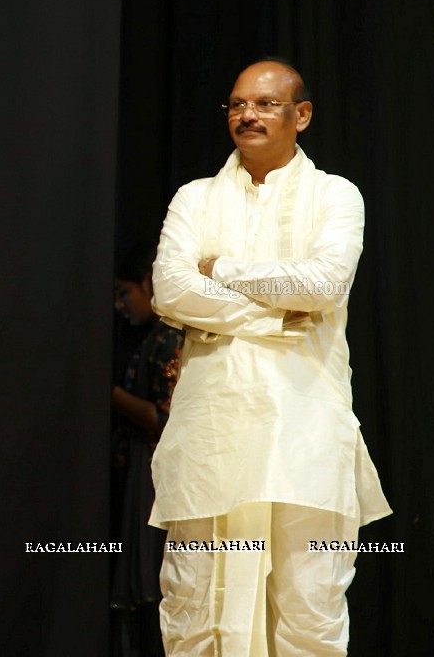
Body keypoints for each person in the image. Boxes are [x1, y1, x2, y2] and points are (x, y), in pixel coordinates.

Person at [149, 60, 391, 655]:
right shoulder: (194, 198)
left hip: (304, 431)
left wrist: (224, 271)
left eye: (264, 104)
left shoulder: (336, 196)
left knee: (310, 611)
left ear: (300, 115)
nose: (247, 115)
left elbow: (322, 285)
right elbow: (170, 291)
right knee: (192, 607)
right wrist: (275, 318)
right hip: (212, 430)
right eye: (236, 105)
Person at [110, 246, 183, 657]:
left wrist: (112, 395)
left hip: (157, 475)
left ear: (147, 285)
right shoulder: (145, 338)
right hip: (138, 470)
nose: (121, 306)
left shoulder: (169, 338)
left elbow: (164, 418)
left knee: (153, 580)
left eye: (124, 294)